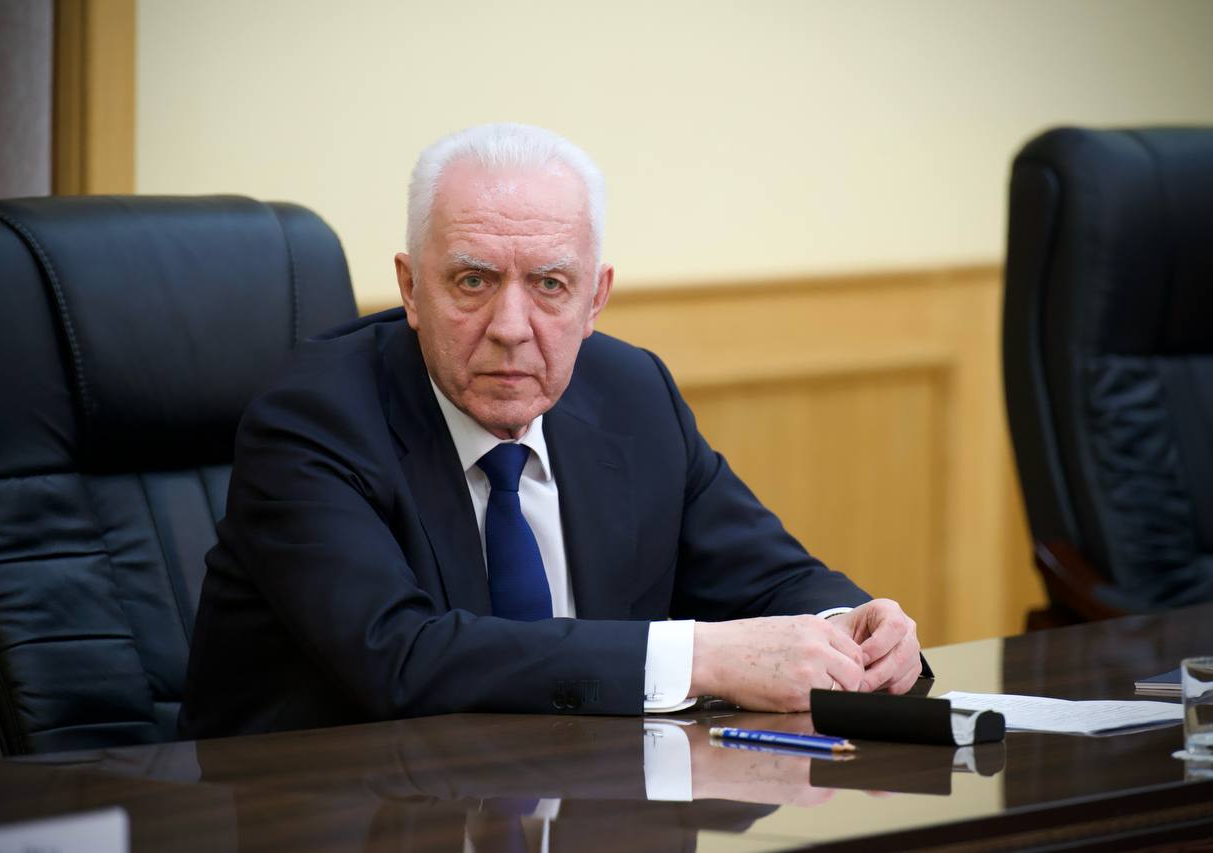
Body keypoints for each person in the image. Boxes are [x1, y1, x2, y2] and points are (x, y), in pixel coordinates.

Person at [178, 123, 923, 739]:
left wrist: (853, 628)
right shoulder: (312, 419)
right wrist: (699, 656)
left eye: (549, 285)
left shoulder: (632, 394)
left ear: (595, 298)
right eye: (473, 281)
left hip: (586, 805)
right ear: (410, 288)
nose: (510, 327)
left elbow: (772, 579)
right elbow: (401, 659)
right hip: (327, 812)